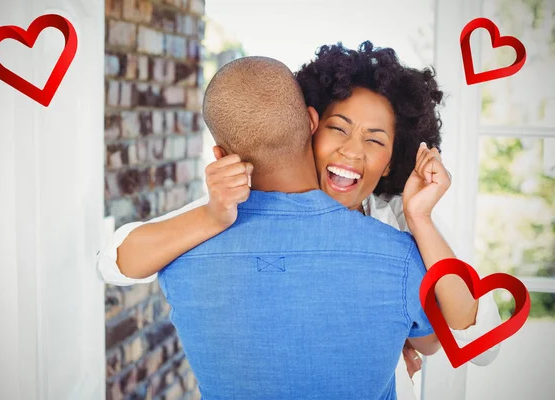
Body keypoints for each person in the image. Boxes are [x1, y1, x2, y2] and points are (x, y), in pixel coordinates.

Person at [98, 42, 501, 398]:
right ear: (310, 126)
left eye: (374, 139)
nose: (351, 151)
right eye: (337, 128)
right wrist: (212, 216)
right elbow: (114, 261)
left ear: (394, 158)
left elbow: (476, 345)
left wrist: (420, 221)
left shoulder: (403, 225)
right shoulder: (226, 208)